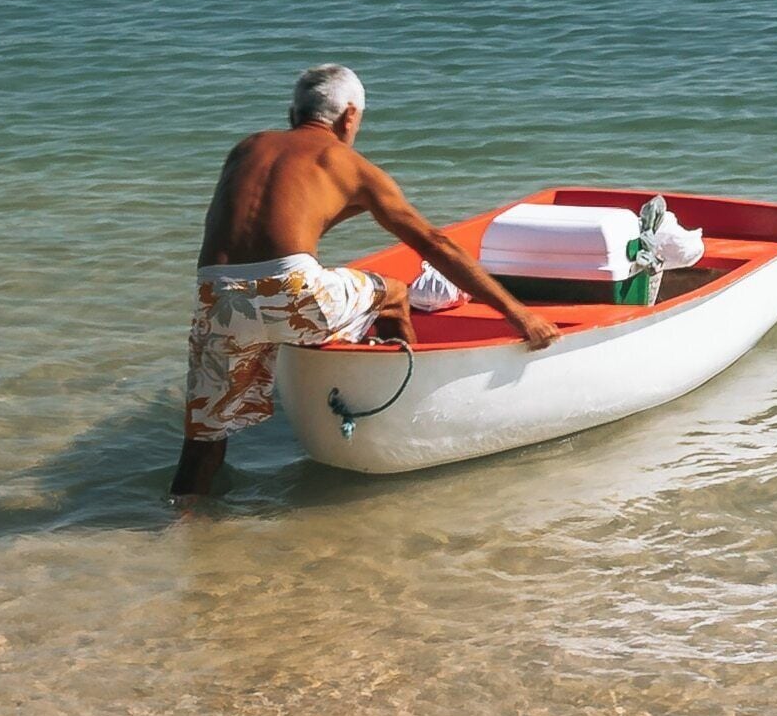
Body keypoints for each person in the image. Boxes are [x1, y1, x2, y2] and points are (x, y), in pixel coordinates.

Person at [171, 64, 558, 498]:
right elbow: (433, 244)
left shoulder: (247, 149)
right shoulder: (345, 163)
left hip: (217, 297)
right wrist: (518, 314)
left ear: (291, 111)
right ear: (349, 116)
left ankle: (185, 526)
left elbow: (263, 229)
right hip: (294, 294)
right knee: (392, 292)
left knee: (205, 436)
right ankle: (399, 415)